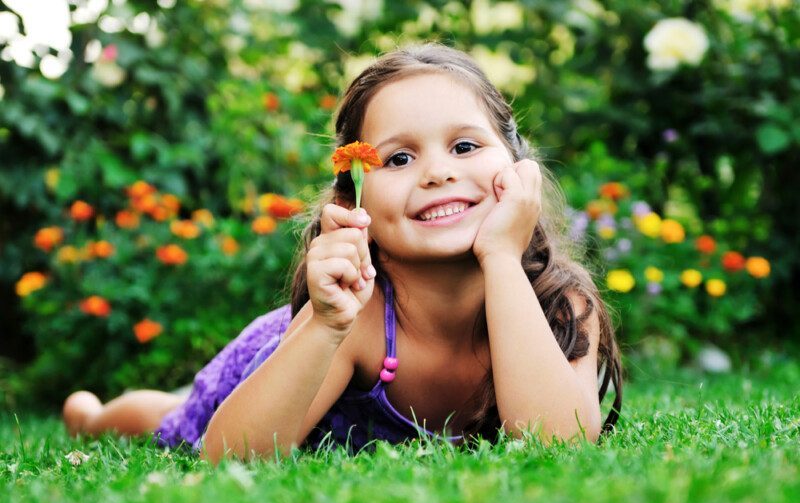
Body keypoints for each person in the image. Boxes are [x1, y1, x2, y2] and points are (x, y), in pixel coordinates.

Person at [63, 43, 623, 463]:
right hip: (290, 351)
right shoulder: (352, 317)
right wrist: (326, 324)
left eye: (466, 146)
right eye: (398, 160)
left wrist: (502, 257)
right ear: (355, 200)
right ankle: (89, 415)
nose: (438, 172)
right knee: (168, 419)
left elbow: (557, 444)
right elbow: (226, 457)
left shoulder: (560, 304)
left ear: (518, 167)